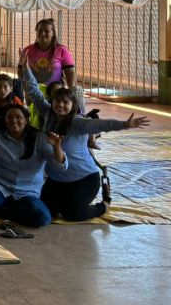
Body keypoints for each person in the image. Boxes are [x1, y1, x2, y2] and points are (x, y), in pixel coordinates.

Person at [21, 53, 149, 221]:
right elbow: (34, 91)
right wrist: (26, 68)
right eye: (57, 101)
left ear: (73, 105)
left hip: (84, 179)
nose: (60, 105)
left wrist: (125, 124)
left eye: (66, 102)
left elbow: (102, 124)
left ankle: (103, 205)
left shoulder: (78, 123)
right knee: (46, 211)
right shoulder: (48, 114)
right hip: (56, 178)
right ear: (52, 102)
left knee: (71, 214)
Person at [0, 104, 66, 227]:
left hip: (28, 192)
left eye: (19, 117)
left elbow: (60, 167)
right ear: (5, 120)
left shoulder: (39, 138)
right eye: (9, 117)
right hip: (0, 187)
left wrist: (56, 147)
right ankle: (9, 207)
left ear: (26, 120)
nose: (14, 120)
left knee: (42, 217)